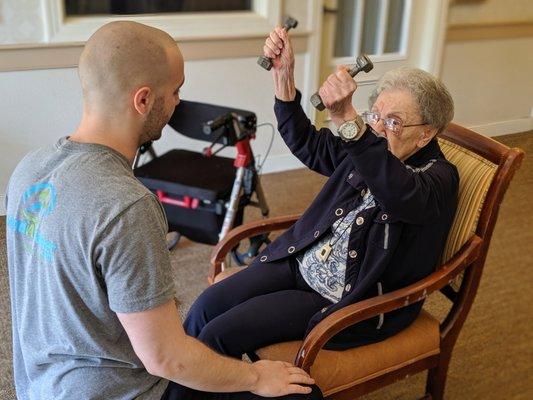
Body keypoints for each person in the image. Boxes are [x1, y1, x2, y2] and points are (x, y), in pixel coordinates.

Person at [5, 21, 322, 400]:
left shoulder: (29, 169)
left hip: (39, 388)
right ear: (142, 100)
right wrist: (256, 377)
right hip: (124, 392)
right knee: (300, 394)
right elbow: (166, 360)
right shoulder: (127, 206)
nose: (176, 103)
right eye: (175, 91)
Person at [184, 27, 459, 358]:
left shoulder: (439, 179)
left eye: (394, 122)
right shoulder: (366, 148)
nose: (380, 130)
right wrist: (284, 79)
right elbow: (308, 144)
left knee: (220, 334)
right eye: (375, 117)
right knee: (205, 306)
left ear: (426, 135)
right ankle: (176, 375)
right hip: (300, 258)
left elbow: (399, 193)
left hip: (341, 298)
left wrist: (347, 119)